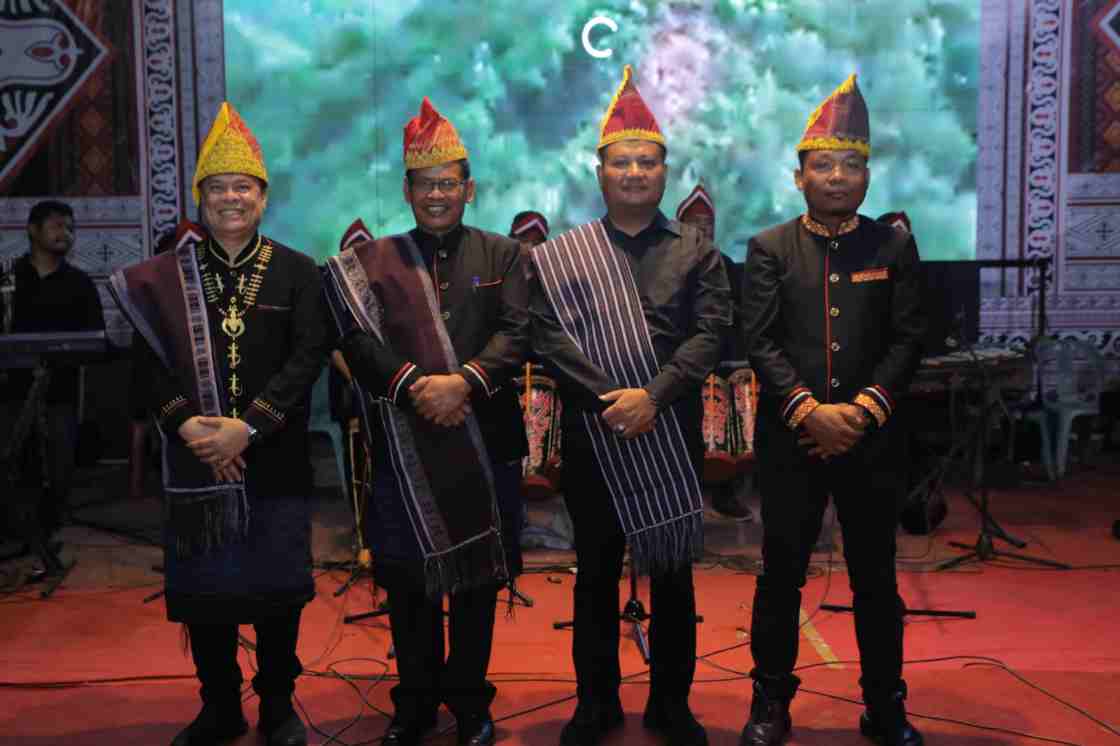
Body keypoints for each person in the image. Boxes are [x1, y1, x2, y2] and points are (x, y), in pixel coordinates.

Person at [108, 102, 330, 746]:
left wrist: (248, 429)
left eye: (243, 188)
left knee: (278, 592)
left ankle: (278, 706)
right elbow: (148, 365)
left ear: (263, 197)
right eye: (217, 188)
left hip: (274, 457)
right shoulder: (163, 279)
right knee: (205, 594)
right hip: (196, 460)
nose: (231, 198)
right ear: (199, 198)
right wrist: (189, 428)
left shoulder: (297, 271)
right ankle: (219, 707)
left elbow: (307, 358)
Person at [528, 65, 731, 746]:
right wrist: (612, 399)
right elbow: (547, 335)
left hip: (668, 430)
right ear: (600, 172)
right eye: (622, 162)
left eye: (647, 162)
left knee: (672, 574)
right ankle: (596, 704)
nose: (635, 172)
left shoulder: (697, 251)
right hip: (597, 433)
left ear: (665, 172)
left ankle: (672, 705)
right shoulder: (564, 255)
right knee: (594, 574)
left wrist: (654, 396)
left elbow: (712, 333)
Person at [324, 97, 529, 746]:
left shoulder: (505, 256)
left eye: (448, 183)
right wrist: (417, 387)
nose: (437, 194)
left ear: (470, 189)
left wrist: (463, 382)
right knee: (408, 583)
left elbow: (519, 332)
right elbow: (356, 342)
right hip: (403, 443)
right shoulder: (375, 262)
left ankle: (470, 704)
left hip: (487, 437)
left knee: (477, 581)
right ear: (406, 191)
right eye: (424, 184)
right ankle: (413, 706)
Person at [738, 75, 926, 746]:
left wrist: (861, 413)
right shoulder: (769, 247)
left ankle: (885, 705)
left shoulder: (892, 246)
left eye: (851, 165)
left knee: (875, 578)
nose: (838, 177)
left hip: (872, 443)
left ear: (867, 175)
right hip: (793, 440)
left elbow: (910, 338)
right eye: (824, 166)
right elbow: (758, 340)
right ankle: (769, 703)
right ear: (799, 177)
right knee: (780, 576)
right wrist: (810, 412)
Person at [1, 200, 104, 538]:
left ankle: (50, 531)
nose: (66, 233)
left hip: (61, 392)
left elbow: (95, 339)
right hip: (12, 393)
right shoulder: (8, 280)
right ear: (33, 230)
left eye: (71, 228)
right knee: (15, 463)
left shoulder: (80, 284)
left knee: (59, 467)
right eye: (58, 225)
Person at [676, 183, 753, 520]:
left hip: (721, 361)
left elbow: (740, 317)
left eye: (708, 223)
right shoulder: (664, 262)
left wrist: (739, 361)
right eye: (695, 222)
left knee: (730, 425)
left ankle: (726, 493)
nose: (703, 229)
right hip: (677, 364)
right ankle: (680, 504)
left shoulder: (726, 265)